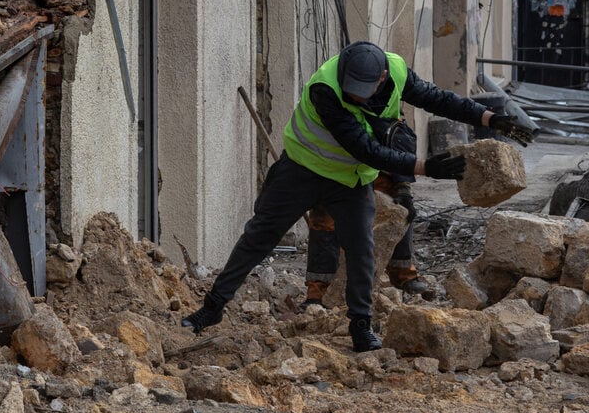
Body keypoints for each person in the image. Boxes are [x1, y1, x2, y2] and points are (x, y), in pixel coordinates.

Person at [180, 41, 533, 352]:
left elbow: (436, 98)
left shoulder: (394, 69)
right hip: (301, 170)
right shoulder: (325, 88)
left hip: (348, 180)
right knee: (259, 236)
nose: (354, 96)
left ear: (381, 78)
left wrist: (489, 119)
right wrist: (426, 167)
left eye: (362, 90)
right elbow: (366, 150)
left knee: (363, 249)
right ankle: (211, 308)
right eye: (351, 88)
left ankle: (360, 326)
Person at [304, 119, 425, 304]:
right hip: (335, 168)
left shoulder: (386, 105)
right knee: (324, 221)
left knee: (399, 209)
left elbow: (400, 140)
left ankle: (403, 273)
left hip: (375, 166)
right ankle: (319, 290)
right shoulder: (328, 104)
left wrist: (403, 187)